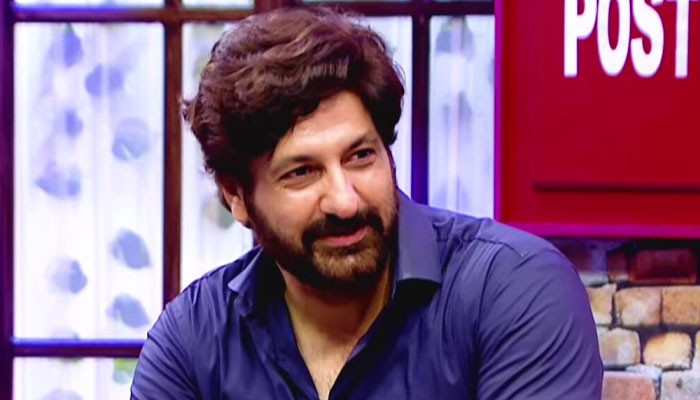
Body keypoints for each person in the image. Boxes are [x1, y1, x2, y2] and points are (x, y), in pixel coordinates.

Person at [131, 7, 603, 399]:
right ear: (237, 196)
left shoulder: (512, 290)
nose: (344, 201)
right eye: (302, 173)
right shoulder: (193, 344)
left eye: (360, 156)